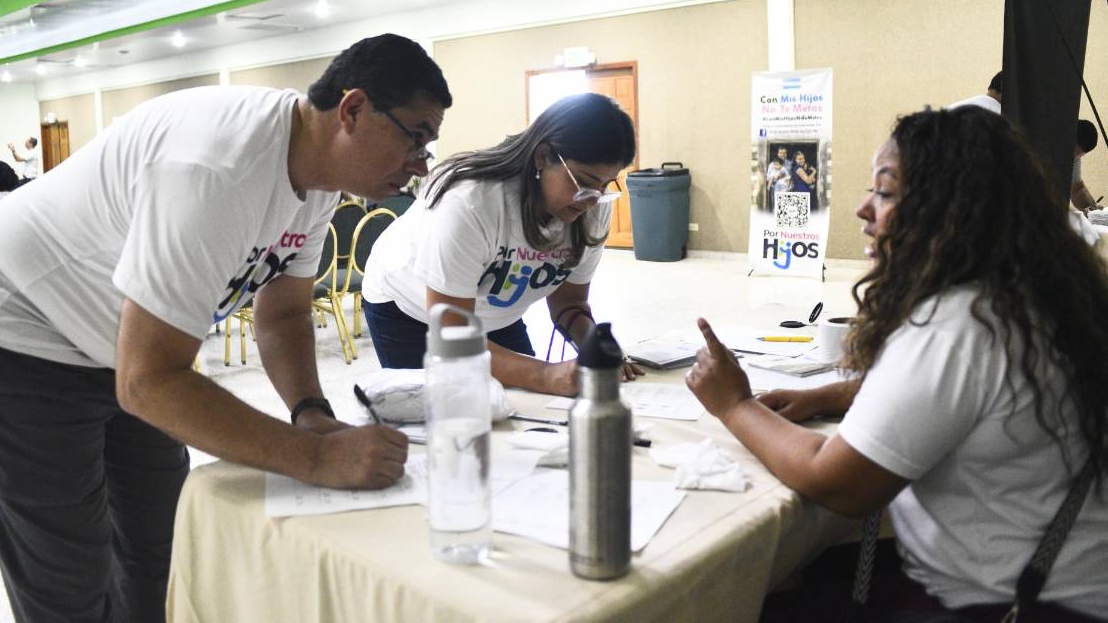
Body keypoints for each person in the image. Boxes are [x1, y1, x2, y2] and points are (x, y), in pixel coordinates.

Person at [0, 33, 451, 623]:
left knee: (166, 546)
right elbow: (148, 382)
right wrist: (314, 459)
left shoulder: (319, 176)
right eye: (417, 138)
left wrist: (310, 412)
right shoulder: (216, 165)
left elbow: (283, 311)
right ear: (353, 110)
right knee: (69, 578)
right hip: (17, 329)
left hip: (122, 344)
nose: (420, 166)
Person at [686, 107, 1107, 621]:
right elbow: (977, 394)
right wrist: (833, 394)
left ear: (951, 210)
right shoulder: (1036, 296)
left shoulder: (959, 322)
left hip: (1022, 605)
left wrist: (733, 404)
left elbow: (838, 483)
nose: (864, 209)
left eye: (885, 193)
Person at [361, 92, 643, 397]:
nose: (592, 199)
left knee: (519, 410)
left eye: (604, 185)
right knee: (445, 416)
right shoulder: (470, 202)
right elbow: (452, 332)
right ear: (543, 155)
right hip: (410, 311)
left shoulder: (594, 206)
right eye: (584, 182)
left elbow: (569, 303)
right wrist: (547, 375)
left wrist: (594, 348)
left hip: (490, 312)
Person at [1071, 119, 1101, 212]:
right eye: (1072, 150)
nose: (1073, 156)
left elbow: (1077, 190)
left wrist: (1095, 212)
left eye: (1077, 154)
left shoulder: (1074, 158)